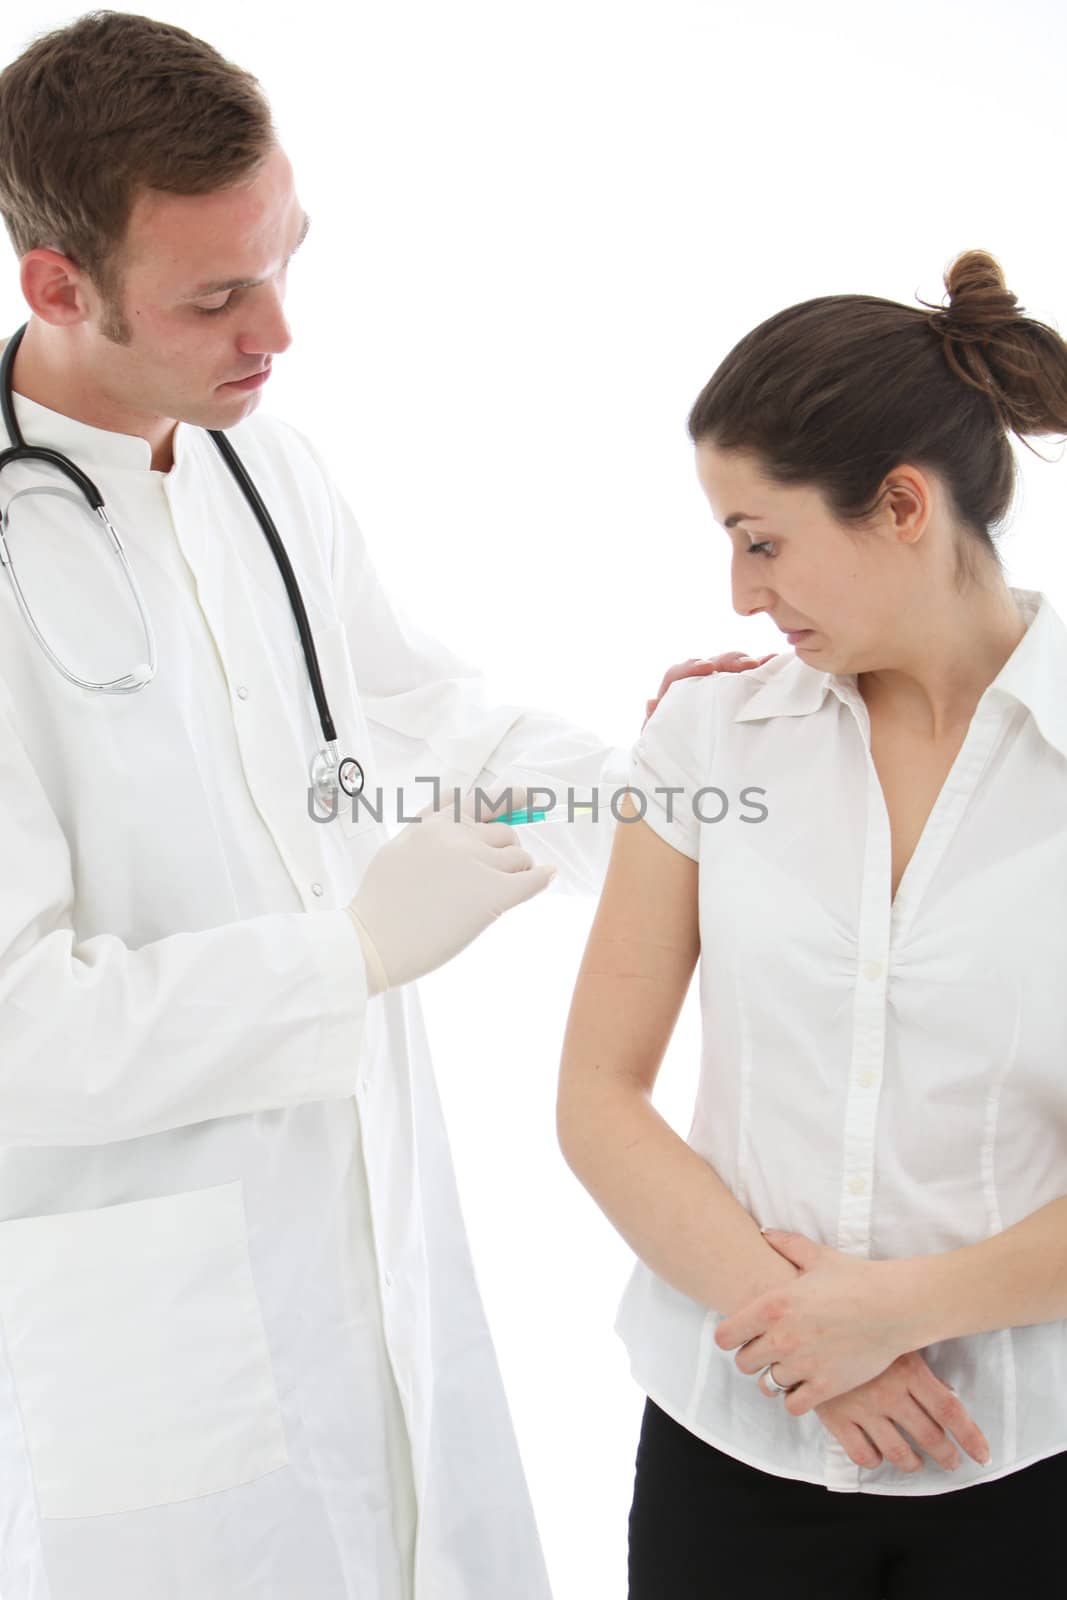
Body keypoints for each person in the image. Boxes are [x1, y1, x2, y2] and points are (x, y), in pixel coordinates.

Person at [0, 12, 760, 1599]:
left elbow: (430, 722)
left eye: (285, 259)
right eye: (215, 296)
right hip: (161, 1341)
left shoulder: (265, 469)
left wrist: (673, 805)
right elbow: (21, 1029)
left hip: (376, 1243)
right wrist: (346, 958)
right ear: (56, 284)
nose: (276, 327)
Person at [556, 247, 1067, 1598]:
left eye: (762, 539)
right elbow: (597, 1097)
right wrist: (805, 1343)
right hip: (732, 1459)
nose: (740, 593)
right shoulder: (711, 733)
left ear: (902, 505)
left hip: (1030, 1469)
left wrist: (892, 1317)